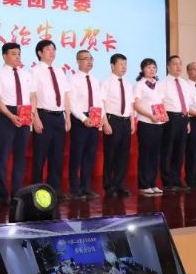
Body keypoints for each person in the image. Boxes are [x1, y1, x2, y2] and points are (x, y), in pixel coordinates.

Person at [0, 42, 36, 205]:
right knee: (3, 156)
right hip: (6, 114)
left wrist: (31, 113)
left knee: (20, 156)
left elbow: (32, 96)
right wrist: (10, 115)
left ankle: (17, 193)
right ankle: (3, 195)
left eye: (19, 53)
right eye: (13, 54)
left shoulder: (27, 74)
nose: (17, 56)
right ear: (4, 56)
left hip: (24, 113)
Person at [31, 40, 71, 195]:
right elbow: (32, 96)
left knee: (57, 156)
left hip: (59, 117)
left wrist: (67, 116)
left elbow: (65, 95)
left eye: (54, 49)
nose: (52, 52)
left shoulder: (60, 71)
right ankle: (36, 190)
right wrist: (35, 118)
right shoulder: (35, 71)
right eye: (48, 49)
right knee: (40, 156)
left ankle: (55, 190)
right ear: (40, 53)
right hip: (43, 116)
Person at [68, 50, 104, 200]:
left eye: (91, 58)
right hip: (79, 119)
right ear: (78, 61)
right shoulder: (73, 79)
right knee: (77, 155)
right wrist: (83, 118)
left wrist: (101, 118)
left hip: (94, 119)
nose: (89, 61)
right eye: (85, 59)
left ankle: (86, 187)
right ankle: (74, 189)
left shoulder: (95, 80)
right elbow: (72, 103)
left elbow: (99, 101)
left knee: (90, 155)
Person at [101, 54, 135, 197]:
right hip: (112, 120)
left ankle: (120, 184)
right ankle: (109, 186)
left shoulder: (127, 83)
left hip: (126, 121)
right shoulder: (106, 82)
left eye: (125, 64)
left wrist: (132, 122)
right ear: (112, 65)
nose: (124, 67)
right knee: (111, 155)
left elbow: (131, 105)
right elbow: (101, 103)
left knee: (123, 155)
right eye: (121, 64)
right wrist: (105, 123)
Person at [133, 58, 166, 197]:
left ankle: (152, 183)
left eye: (154, 67)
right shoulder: (139, 85)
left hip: (158, 123)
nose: (152, 69)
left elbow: (161, 102)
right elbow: (136, 105)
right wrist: (150, 115)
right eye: (148, 67)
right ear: (142, 70)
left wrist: (164, 114)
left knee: (155, 154)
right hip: (146, 123)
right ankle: (144, 185)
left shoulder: (158, 84)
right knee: (145, 154)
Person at [159, 55, 190, 192]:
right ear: (168, 67)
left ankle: (177, 179)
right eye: (175, 64)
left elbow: (186, 103)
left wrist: (187, 120)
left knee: (179, 151)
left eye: (180, 64)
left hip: (183, 118)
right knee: (168, 150)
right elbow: (160, 102)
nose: (178, 67)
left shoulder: (184, 83)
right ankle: (167, 182)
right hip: (169, 118)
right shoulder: (163, 83)